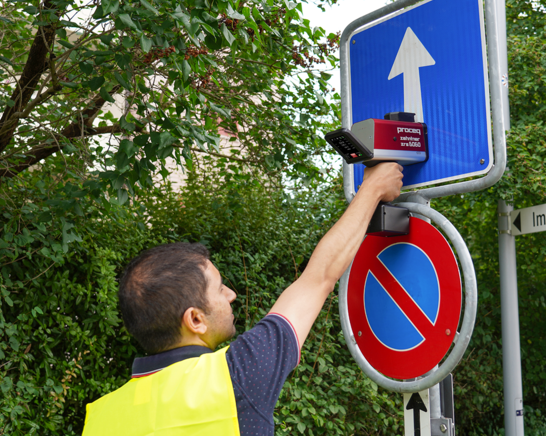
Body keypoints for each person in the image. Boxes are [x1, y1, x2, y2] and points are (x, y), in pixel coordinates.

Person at [82, 162, 404, 436]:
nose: (232, 295)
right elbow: (318, 278)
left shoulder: (100, 418)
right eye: (220, 289)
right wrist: (373, 189)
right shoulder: (237, 375)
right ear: (195, 319)